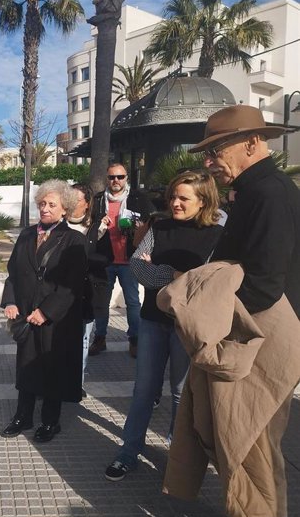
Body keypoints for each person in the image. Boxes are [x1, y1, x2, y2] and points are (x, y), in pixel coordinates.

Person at [158, 104, 300, 515]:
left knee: (248, 448)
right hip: (256, 336)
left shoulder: (269, 193)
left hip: (258, 340)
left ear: (252, 143)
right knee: (248, 446)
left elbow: (264, 284)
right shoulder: (260, 190)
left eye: (217, 148)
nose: (208, 160)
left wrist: (212, 324)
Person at [104, 171, 223, 482]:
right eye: (173, 196)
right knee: (143, 389)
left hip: (187, 324)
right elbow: (137, 267)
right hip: (153, 320)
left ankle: (177, 457)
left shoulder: (216, 235)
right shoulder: (160, 226)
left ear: (204, 200)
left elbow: (205, 283)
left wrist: (163, 272)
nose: (175, 203)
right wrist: (173, 275)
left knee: (181, 394)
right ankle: (128, 452)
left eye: (184, 198)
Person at [0, 179, 87, 443]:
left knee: (52, 369)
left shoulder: (75, 240)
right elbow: (13, 271)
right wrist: (11, 301)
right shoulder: (27, 234)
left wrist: (47, 311)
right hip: (26, 313)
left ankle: (50, 421)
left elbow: (72, 284)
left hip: (54, 320)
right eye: (42, 204)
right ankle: (22, 416)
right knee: (26, 366)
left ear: (65, 210)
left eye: (52, 205)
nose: (45, 209)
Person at [89, 164, 155, 358]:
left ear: (126, 178)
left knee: (133, 302)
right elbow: (90, 224)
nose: (115, 181)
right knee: (101, 302)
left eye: (120, 176)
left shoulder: (137, 198)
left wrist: (138, 225)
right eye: (111, 177)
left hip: (129, 259)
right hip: (105, 260)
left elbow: (151, 221)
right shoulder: (99, 199)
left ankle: (134, 340)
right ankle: (99, 338)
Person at [67, 184, 108, 392]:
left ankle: (76, 382)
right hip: (62, 291)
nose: (71, 202)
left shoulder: (98, 227)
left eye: (76, 199)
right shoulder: (58, 225)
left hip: (88, 292)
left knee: (83, 339)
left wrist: (83, 259)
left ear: (86, 204)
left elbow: (106, 257)